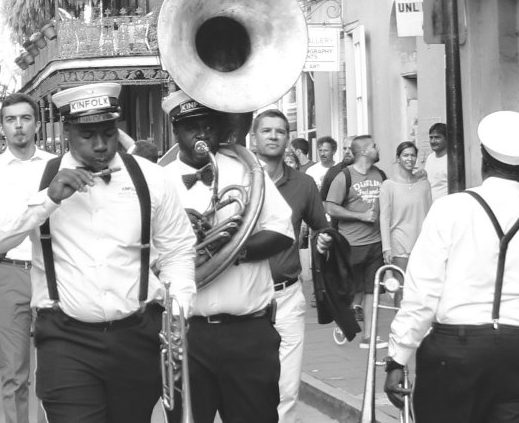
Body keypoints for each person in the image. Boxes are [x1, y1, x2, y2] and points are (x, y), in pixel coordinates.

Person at [0, 82, 196, 423]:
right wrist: (47, 199)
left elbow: (178, 250)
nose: (100, 144)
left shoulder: (151, 178)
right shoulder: (37, 177)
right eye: (87, 134)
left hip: (136, 335)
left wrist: (179, 308)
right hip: (66, 340)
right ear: (67, 131)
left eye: (108, 133)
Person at [383, 111, 519, 421]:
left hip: (453, 350)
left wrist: (397, 358)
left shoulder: (450, 209)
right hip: (518, 352)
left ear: (482, 157)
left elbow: (421, 293)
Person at [162, 91, 293, 423]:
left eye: (209, 126)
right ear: (176, 132)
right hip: (187, 332)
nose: (202, 134)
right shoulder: (157, 181)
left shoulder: (248, 171)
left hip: (247, 332)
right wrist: (182, 242)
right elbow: (144, 255)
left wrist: (233, 249)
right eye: (192, 127)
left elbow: (281, 232)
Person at [0, 93, 53, 423]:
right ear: (2, 126)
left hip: (52, 272)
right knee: (14, 369)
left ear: (37, 123)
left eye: (25, 118)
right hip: (6, 273)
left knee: (56, 367)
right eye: (11, 119)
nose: (18, 126)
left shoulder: (56, 165)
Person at [248, 109, 331, 421]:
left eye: (280, 131)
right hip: (246, 295)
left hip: (286, 295)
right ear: (254, 138)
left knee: (287, 387)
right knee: (250, 382)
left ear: (287, 140)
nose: (273, 136)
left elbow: (321, 227)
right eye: (266, 131)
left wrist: (324, 239)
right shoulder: (239, 178)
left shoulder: (304, 184)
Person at [321, 135, 387, 340]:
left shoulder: (380, 175)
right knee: (348, 291)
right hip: (350, 244)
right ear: (365, 151)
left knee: (371, 290)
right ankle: (344, 324)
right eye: (374, 147)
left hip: (375, 243)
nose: (378, 149)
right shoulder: (344, 176)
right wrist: (361, 216)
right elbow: (330, 206)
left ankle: (369, 334)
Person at [380, 142, 432, 268]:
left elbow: (430, 215)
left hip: (422, 243)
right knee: (401, 284)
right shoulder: (388, 186)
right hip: (399, 244)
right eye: (405, 155)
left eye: (413, 155)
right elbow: (384, 218)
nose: (409, 159)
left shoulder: (424, 184)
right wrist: (386, 248)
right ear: (398, 158)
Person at [425, 123, 451, 197]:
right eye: (431, 138)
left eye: (437, 137)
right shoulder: (430, 157)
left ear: (446, 139)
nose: (433, 141)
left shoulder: (451, 159)